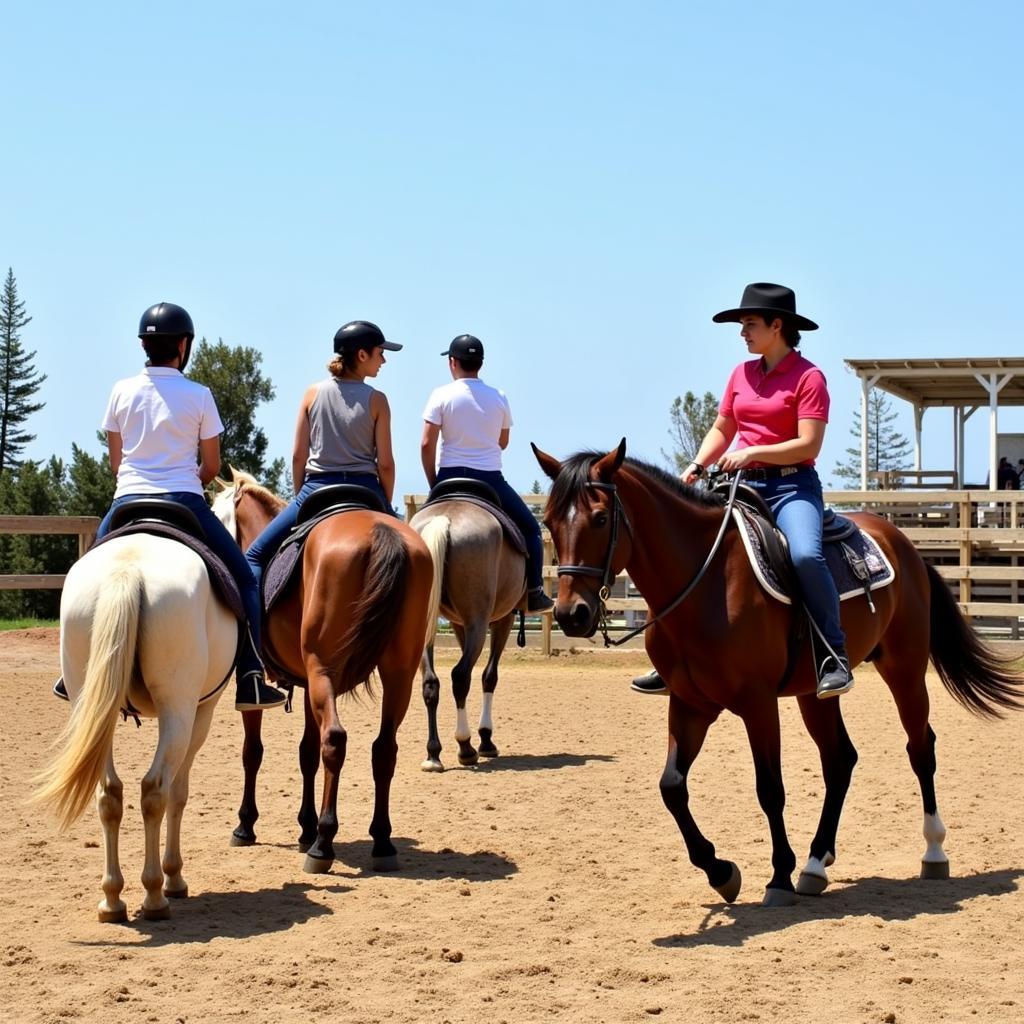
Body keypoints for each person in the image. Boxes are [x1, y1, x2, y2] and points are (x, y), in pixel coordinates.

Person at [54, 302, 286, 711]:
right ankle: (251, 675)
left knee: (85, 574)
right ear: (183, 345)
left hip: (127, 501)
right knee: (246, 580)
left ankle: (70, 673)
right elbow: (211, 465)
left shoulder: (120, 391)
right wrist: (184, 480)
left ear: (144, 344)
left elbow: (115, 461)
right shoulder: (199, 395)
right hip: (184, 503)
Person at [633, 283, 853, 699]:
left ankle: (832, 654)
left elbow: (809, 444)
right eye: (742, 325)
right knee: (683, 548)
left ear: (777, 325)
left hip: (791, 487)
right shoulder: (741, 374)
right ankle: (672, 656)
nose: (743, 333)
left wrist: (752, 452)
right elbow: (723, 427)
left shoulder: (809, 378)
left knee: (805, 554)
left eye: (750, 324)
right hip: (739, 485)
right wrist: (698, 464)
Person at [244, 320, 400, 604]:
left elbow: (298, 456)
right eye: (380, 352)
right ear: (362, 355)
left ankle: (250, 641)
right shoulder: (378, 400)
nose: (384, 360)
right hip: (366, 488)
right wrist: (385, 504)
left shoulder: (312, 393)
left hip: (316, 489)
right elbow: (386, 464)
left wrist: (299, 496)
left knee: (254, 555)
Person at [420, 335, 554, 613]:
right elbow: (502, 442)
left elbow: (426, 444)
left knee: (412, 535)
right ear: (480, 364)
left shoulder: (440, 395)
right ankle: (534, 590)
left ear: (452, 362)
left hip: (448, 477)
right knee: (531, 529)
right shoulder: (499, 396)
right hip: (490, 480)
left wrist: (435, 483)